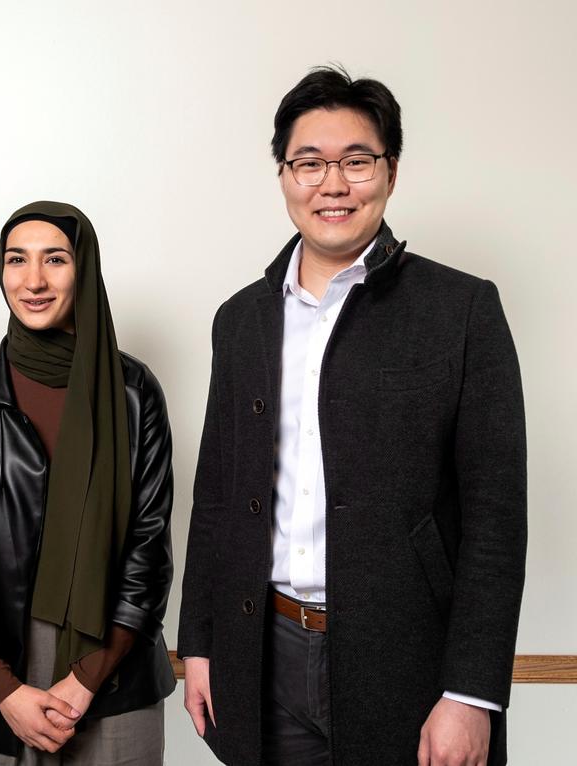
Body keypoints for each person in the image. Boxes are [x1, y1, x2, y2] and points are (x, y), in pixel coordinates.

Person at [178, 67, 527, 766]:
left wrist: (470, 694)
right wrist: (199, 642)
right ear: (283, 175)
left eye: (356, 162)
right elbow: (217, 496)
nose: (332, 184)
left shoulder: (461, 311)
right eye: (309, 163)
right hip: (263, 651)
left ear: (390, 173)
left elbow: (496, 520)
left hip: (407, 661)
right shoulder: (241, 319)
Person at [0, 201, 176, 764]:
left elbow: (149, 544)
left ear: (82, 269)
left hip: (114, 667)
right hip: (0, 671)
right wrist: (0, 688)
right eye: (17, 260)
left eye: (55, 259)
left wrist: (88, 677)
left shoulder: (133, 392)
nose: (33, 280)